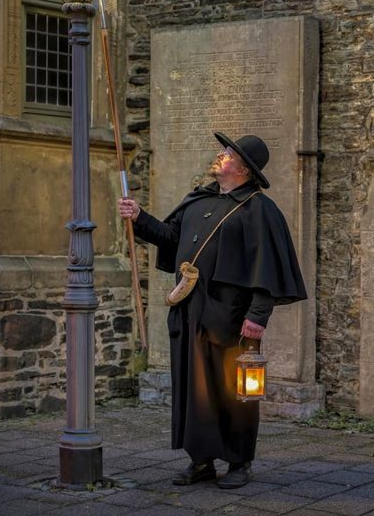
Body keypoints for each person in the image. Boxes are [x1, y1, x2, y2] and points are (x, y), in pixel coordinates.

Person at [118, 132, 307, 489]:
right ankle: (201, 460)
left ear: (244, 169)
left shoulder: (259, 209)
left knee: (235, 391)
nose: (220, 155)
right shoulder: (197, 201)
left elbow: (267, 266)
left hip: (233, 319)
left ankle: (239, 462)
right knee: (194, 391)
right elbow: (170, 238)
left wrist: (258, 316)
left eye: (228, 153)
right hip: (191, 313)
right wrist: (140, 217)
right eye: (224, 150)